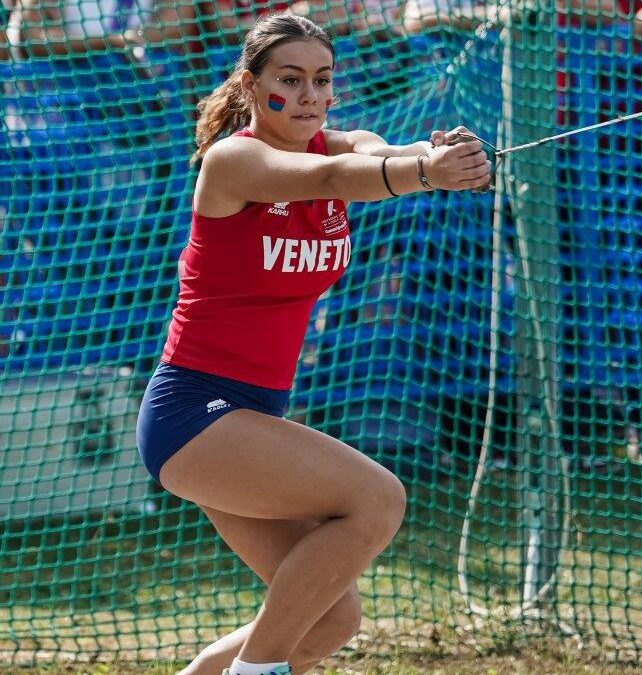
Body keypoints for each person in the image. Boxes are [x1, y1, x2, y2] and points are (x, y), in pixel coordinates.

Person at [135, 11, 489, 675]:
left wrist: (443, 158)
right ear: (250, 85)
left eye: (321, 80)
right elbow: (328, 180)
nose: (307, 95)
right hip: (193, 415)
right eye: (289, 79)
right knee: (378, 498)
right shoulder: (235, 160)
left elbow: (377, 155)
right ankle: (255, 672)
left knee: (330, 617)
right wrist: (425, 173)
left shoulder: (342, 142)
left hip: (248, 420)